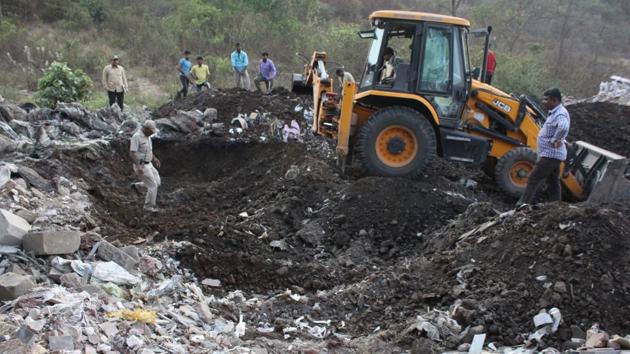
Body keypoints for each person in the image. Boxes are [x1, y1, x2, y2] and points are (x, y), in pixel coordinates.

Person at [517, 88, 570, 205]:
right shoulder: (555, 112)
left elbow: (564, 127)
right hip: (552, 154)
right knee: (553, 182)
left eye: (546, 99)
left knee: (533, 179)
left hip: (551, 155)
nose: (543, 101)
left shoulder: (560, 113)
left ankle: (522, 205)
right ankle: (555, 205)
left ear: (555, 100)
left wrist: (556, 139)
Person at [130, 120, 161, 212]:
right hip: (142, 165)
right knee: (153, 186)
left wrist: (154, 158)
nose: (152, 133)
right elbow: (132, 154)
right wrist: (138, 166)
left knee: (157, 182)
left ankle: (138, 187)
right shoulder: (136, 137)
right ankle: (148, 207)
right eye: (151, 131)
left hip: (149, 163)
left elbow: (149, 150)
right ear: (146, 129)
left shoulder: (148, 137)